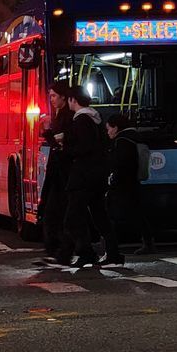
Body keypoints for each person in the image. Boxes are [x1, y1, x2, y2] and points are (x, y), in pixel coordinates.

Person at [60, 87, 116, 267]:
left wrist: (64, 147)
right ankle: (113, 252)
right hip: (97, 176)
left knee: (73, 217)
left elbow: (83, 148)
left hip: (83, 177)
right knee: (100, 215)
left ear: (72, 100)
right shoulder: (95, 119)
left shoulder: (81, 120)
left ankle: (86, 253)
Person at [105, 114, 154, 258]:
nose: (108, 133)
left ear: (116, 127)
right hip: (134, 182)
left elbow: (120, 163)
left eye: (109, 129)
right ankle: (148, 241)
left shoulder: (122, 141)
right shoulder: (136, 137)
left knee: (109, 214)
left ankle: (109, 245)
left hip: (122, 184)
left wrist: (113, 180)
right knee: (137, 214)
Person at [40, 81, 75, 259]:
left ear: (64, 97)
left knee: (55, 213)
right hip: (58, 173)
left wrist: (47, 131)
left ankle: (60, 250)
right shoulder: (60, 115)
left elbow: (60, 145)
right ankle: (59, 250)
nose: (51, 99)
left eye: (54, 96)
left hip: (62, 174)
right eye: (50, 96)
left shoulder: (67, 118)